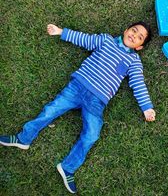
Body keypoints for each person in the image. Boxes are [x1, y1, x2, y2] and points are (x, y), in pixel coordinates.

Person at [0, 22, 156, 194]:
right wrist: (61, 32)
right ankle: (24, 138)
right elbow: (85, 39)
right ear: (126, 30)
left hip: (97, 101)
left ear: (139, 47)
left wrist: (146, 107)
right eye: (134, 30)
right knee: (50, 110)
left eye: (139, 37)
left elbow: (138, 83)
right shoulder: (105, 40)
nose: (134, 35)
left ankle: (68, 167)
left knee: (92, 134)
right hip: (77, 87)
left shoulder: (133, 61)